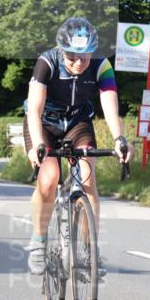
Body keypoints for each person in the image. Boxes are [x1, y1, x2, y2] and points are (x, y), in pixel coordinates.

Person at [23, 17, 131, 276]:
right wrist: (38, 143)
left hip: (77, 122)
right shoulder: (46, 62)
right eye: (73, 56)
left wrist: (119, 139)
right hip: (44, 124)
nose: (80, 63)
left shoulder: (101, 66)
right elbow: (34, 109)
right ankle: (38, 243)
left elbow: (109, 103)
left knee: (87, 178)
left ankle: (89, 252)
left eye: (85, 56)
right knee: (49, 179)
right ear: (62, 50)